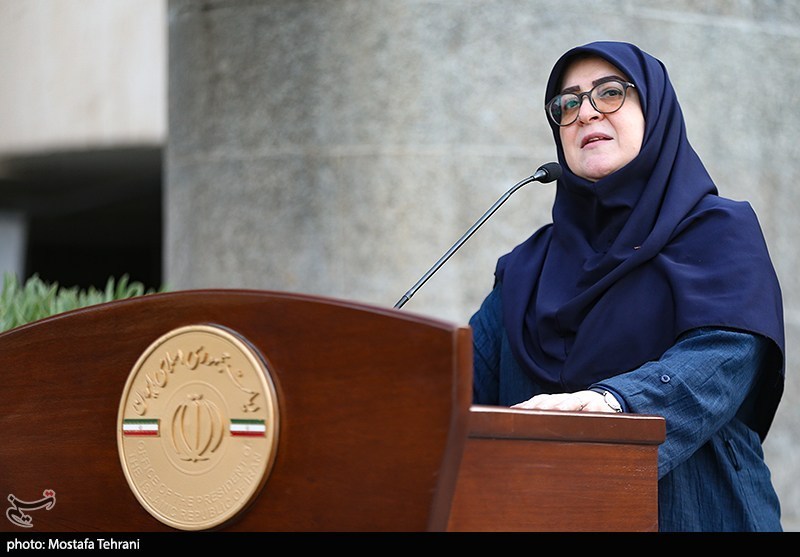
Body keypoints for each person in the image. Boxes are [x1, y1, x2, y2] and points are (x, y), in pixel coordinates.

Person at [469, 41, 785, 532]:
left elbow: (720, 360)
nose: (585, 113)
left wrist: (612, 403)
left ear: (654, 112)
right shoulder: (526, 269)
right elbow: (460, 386)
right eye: (567, 103)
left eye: (610, 92)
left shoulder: (718, 232)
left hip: (698, 513)